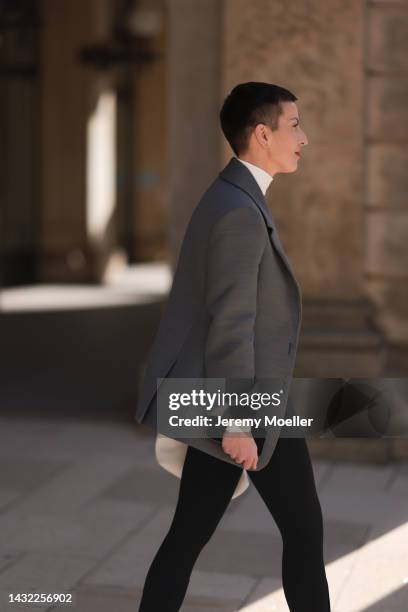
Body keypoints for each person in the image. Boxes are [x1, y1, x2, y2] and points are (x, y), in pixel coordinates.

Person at [136, 82, 331, 611]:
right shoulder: (238, 211)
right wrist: (236, 420)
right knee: (302, 529)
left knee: (193, 534)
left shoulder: (233, 195)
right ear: (262, 134)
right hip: (245, 400)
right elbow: (231, 322)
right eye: (294, 125)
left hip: (246, 395)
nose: (304, 138)